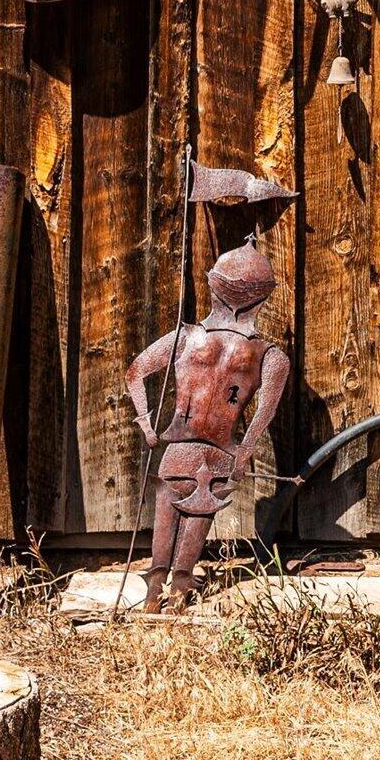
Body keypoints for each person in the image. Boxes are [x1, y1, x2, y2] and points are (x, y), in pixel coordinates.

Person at [125, 242, 290, 612]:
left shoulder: (186, 338)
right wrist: (245, 450)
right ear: (261, 299)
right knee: (197, 518)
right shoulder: (271, 356)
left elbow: (135, 372)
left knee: (167, 508)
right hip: (217, 453)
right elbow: (265, 410)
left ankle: (155, 591)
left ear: (215, 287)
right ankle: (181, 587)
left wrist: (147, 424)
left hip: (177, 448)